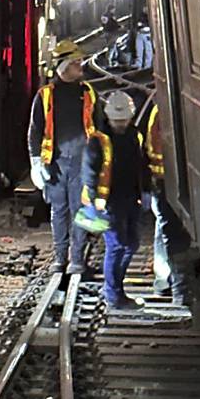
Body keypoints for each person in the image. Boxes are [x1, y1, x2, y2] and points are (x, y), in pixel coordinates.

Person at [28, 41, 99, 274]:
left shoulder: (88, 93)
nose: (81, 66)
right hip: (56, 162)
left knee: (80, 209)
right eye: (76, 62)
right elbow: (35, 130)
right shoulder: (46, 95)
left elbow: (100, 128)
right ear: (64, 66)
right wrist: (36, 162)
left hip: (82, 162)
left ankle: (76, 259)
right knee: (58, 210)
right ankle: (60, 258)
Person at [82, 91, 151, 310]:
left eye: (124, 120)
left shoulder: (134, 135)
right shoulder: (98, 140)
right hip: (108, 202)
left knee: (131, 244)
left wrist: (147, 190)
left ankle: (116, 290)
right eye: (117, 120)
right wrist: (94, 201)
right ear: (109, 117)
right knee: (116, 245)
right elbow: (89, 172)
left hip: (130, 198)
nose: (121, 124)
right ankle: (113, 295)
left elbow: (142, 164)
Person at [135, 94, 189, 305]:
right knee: (171, 233)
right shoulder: (162, 114)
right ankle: (177, 290)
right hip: (165, 181)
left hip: (162, 181)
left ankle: (163, 281)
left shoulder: (157, 111)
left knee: (164, 230)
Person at [101, 4, 121, 68]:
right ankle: (109, 61)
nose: (114, 10)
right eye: (114, 9)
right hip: (112, 32)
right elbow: (114, 23)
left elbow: (103, 24)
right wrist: (120, 26)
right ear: (111, 9)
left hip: (106, 32)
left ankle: (114, 59)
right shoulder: (111, 15)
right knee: (111, 46)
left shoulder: (103, 15)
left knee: (112, 45)